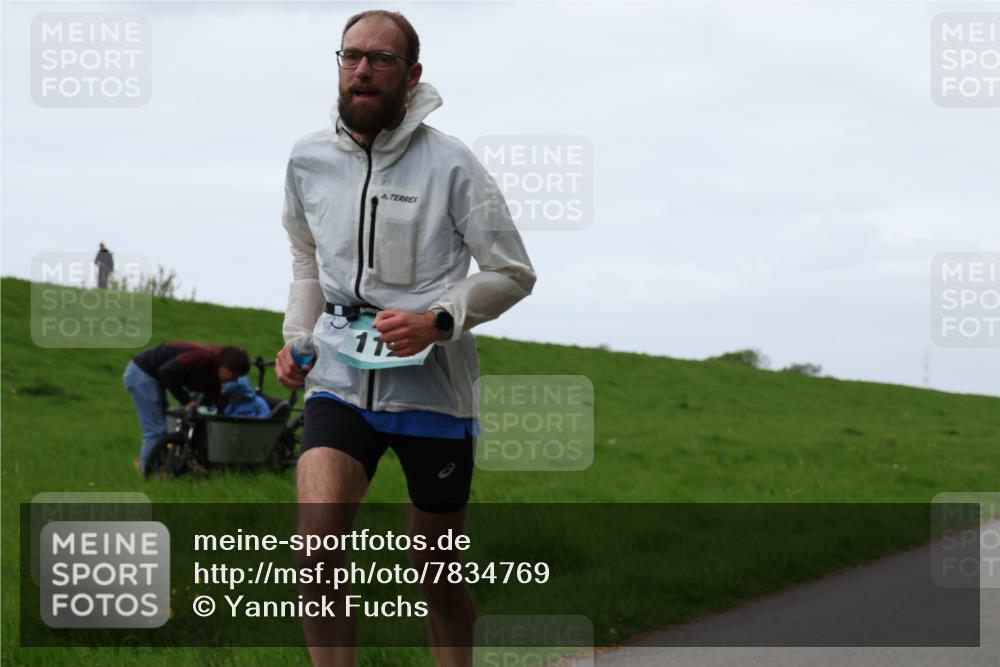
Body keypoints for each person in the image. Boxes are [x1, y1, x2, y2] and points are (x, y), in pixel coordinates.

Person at [274, 9, 536, 667]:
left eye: (380, 59)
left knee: (436, 570)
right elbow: (306, 260)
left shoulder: (452, 165)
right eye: (351, 55)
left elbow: (513, 273)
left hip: (433, 393)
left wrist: (437, 319)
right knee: (316, 547)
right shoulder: (307, 159)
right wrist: (299, 337)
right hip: (339, 383)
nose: (362, 70)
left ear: (411, 74)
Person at [123, 341, 250, 473]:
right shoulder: (202, 356)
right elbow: (167, 371)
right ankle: (148, 476)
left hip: (150, 377)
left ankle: (160, 469)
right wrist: (187, 401)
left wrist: (223, 414)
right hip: (142, 374)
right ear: (225, 368)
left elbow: (213, 393)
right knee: (155, 431)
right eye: (236, 375)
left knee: (163, 428)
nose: (235, 380)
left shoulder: (213, 368)